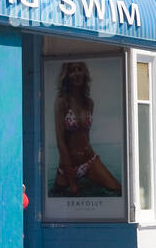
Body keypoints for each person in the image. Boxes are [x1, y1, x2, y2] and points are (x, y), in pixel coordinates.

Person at [52, 62, 121, 196]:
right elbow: (60, 141)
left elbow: (85, 135)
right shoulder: (62, 102)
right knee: (59, 194)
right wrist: (72, 181)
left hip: (89, 160)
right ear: (66, 76)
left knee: (117, 189)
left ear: (84, 74)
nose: (76, 74)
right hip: (68, 164)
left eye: (80, 70)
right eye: (72, 71)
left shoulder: (89, 103)